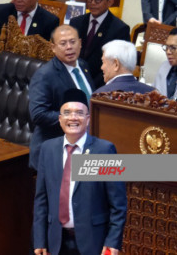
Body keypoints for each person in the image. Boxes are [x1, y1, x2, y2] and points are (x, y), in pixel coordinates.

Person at [33, 88, 127, 255]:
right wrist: (40, 240)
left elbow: (118, 205)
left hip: (93, 243)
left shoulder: (103, 150)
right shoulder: (48, 149)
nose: (73, 118)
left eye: (79, 113)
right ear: (60, 119)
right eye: (67, 113)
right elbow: (41, 201)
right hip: (56, 242)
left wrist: (113, 242)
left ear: (88, 119)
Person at [28, 25, 95, 170]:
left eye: (73, 42)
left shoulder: (83, 66)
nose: (69, 47)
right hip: (55, 150)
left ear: (80, 43)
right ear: (53, 47)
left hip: (84, 146)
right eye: (63, 43)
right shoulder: (45, 75)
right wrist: (73, 119)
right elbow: (38, 114)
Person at [69, 0, 130, 88]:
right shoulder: (76, 22)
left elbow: (118, 67)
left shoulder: (120, 29)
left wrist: (89, 87)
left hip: (100, 87)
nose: (92, 3)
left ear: (110, 2)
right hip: (71, 81)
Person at [154, 27, 177, 99]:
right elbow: (154, 93)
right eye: (167, 47)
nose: (168, 52)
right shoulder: (164, 67)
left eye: (173, 48)